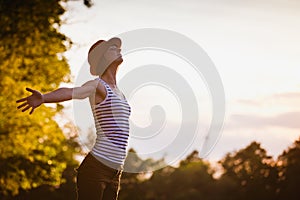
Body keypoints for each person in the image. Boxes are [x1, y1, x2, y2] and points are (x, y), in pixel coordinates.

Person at [16, 37, 131, 200]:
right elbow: (70, 92)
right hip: (97, 168)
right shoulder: (97, 85)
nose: (118, 49)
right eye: (112, 48)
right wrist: (43, 98)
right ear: (103, 57)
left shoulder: (119, 92)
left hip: (115, 171)